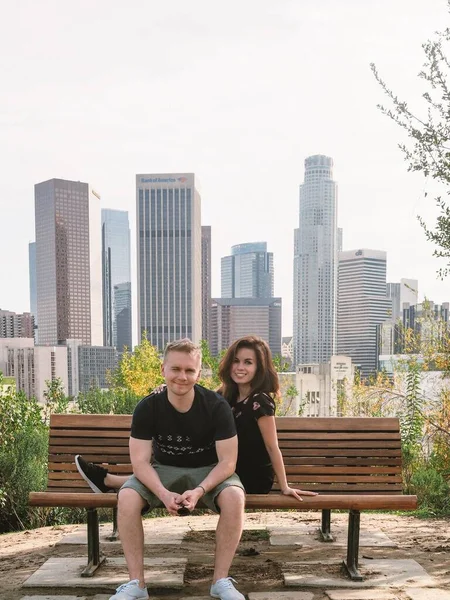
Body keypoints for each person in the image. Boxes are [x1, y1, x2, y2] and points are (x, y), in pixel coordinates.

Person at [87, 338, 246, 600]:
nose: (182, 377)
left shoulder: (216, 407)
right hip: (162, 470)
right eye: (175, 369)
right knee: (126, 496)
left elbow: (228, 463)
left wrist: (199, 490)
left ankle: (220, 581)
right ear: (163, 370)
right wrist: (162, 493)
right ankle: (137, 584)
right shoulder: (147, 407)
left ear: (198, 373)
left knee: (234, 496)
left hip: (208, 471)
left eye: (189, 370)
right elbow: (140, 463)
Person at [76, 336, 317, 501]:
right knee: (181, 465)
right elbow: (193, 392)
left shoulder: (260, 401)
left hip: (246, 474)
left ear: (259, 367)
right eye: (236, 360)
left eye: (248, 362)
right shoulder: (225, 396)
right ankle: (108, 480)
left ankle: (108, 480)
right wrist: (165, 389)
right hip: (221, 466)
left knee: (185, 467)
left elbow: (271, 446)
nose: (240, 367)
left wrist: (283, 485)